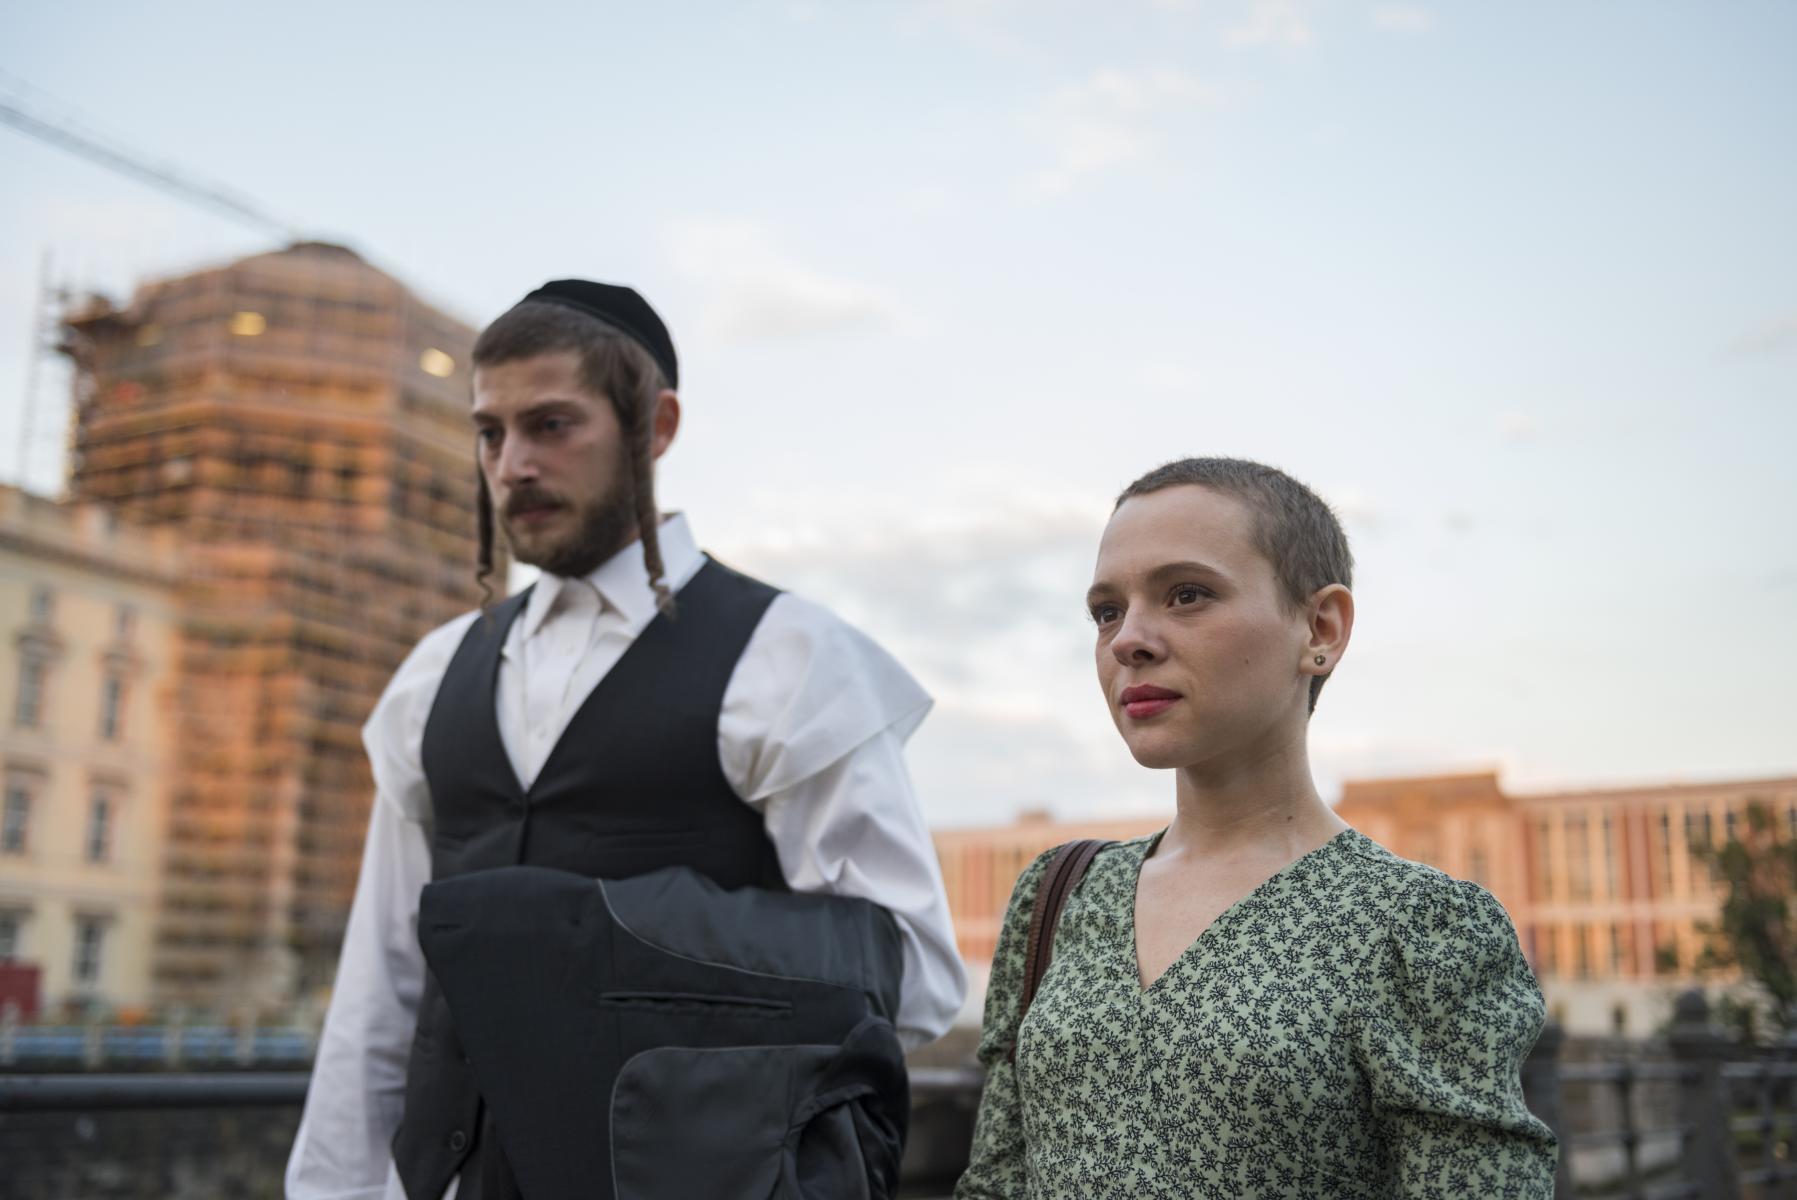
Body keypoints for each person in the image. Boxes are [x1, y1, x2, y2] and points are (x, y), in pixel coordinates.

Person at [285, 279, 966, 1200]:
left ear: (655, 426)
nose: (513, 464)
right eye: (490, 433)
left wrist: (602, 948)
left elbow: (908, 972)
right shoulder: (433, 674)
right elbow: (380, 986)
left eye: (551, 425)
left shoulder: (789, 656)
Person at [956, 457, 1558, 1199]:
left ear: (1320, 628)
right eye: (1107, 611)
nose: (1127, 640)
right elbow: (995, 1182)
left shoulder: (1421, 929)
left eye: (1186, 594)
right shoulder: (1059, 893)